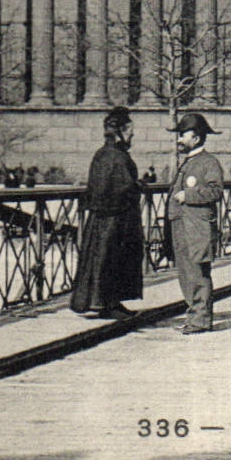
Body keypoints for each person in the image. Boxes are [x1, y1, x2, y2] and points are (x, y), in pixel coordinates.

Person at [71, 107, 143, 319]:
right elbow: (118, 188)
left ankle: (108, 301)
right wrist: (136, 187)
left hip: (108, 218)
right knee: (110, 259)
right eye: (130, 130)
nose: (133, 135)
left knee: (107, 260)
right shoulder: (114, 156)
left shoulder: (106, 154)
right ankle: (107, 303)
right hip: (113, 220)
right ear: (120, 131)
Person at [166, 112, 224, 334]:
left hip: (197, 228)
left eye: (183, 135)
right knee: (186, 273)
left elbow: (216, 190)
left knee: (198, 273)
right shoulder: (189, 161)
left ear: (197, 138)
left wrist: (188, 195)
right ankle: (194, 315)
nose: (179, 139)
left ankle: (200, 319)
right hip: (182, 225)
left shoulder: (208, 162)